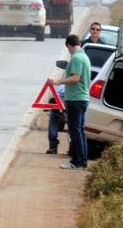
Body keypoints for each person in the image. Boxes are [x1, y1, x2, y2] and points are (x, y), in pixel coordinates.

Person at [47, 34, 91, 169]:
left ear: (69, 46)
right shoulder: (85, 56)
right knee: (79, 131)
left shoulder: (76, 58)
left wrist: (57, 82)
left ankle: (77, 161)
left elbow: (75, 78)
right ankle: (82, 160)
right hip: (81, 98)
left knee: (75, 131)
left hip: (75, 99)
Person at [45, 84, 66, 154]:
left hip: (58, 108)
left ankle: (52, 147)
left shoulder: (60, 87)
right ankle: (73, 149)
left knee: (52, 127)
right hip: (66, 108)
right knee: (74, 129)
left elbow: (52, 99)